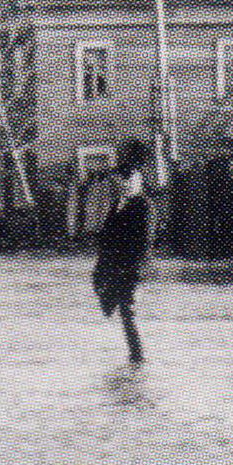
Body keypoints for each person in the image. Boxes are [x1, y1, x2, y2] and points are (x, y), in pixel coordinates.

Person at [93, 138, 152, 364]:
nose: (124, 185)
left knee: (128, 310)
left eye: (129, 181)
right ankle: (135, 356)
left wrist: (134, 270)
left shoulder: (143, 206)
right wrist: (100, 269)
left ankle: (137, 358)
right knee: (119, 307)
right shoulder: (117, 205)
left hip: (131, 269)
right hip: (114, 267)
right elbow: (107, 239)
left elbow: (143, 243)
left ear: (138, 182)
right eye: (121, 182)